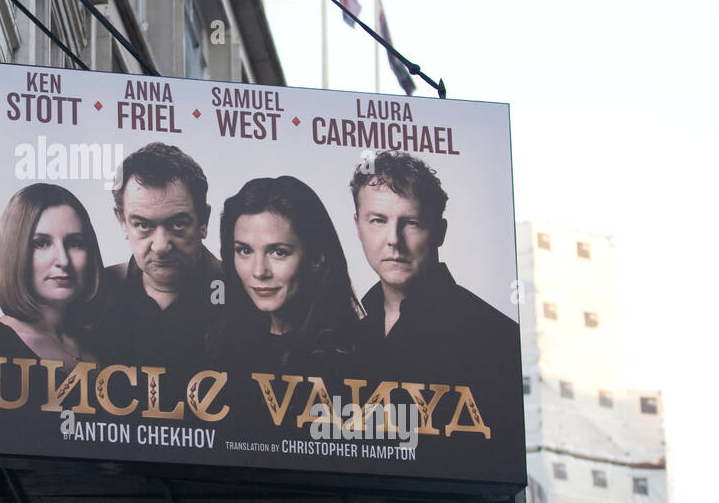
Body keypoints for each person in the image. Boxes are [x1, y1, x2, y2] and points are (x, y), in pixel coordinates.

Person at [350, 151, 521, 388]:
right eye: (378, 220)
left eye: (411, 222)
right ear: (358, 227)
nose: (393, 240)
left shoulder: (496, 337)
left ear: (439, 232)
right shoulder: (348, 331)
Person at [208, 176, 362, 392]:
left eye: (279, 252)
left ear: (316, 258)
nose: (259, 271)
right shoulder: (219, 342)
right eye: (245, 250)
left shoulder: (353, 355)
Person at [93, 142, 221, 374]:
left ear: (204, 222)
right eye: (143, 224)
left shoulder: (248, 296)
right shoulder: (91, 295)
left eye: (178, 223)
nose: (161, 247)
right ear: (122, 221)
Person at [0, 183, 105, 373]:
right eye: (41, 243)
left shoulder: (104, 344)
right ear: (14, 253)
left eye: (75, 243)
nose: (63, 260)